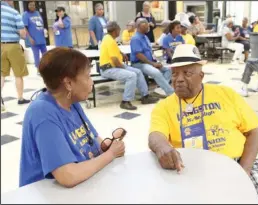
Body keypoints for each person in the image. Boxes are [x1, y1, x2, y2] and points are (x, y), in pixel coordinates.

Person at [148, 44, 258, 204]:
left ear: (201, 75)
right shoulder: (164, 106)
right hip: (191, 168)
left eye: (187, 73)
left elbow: (253, 133)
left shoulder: (226, 94)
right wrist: (162, 147)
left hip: (239, 161)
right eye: (174, 74)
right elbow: (156, 135)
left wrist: (243, 171)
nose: (179, 79)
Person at [19, 47, 126, 188]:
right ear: (68, 83)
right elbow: (67, 176)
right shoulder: (42, 113)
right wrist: (110, 154)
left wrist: (108, 145)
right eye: (88, 76)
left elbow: (94, 141)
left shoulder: (72, 102)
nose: (91, 82)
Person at [100, 21, 158, 110]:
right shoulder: (110, 40)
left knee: (138, 72)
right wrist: (124, 67)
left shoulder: (108, 38)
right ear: (115, 30)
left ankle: (145, 96)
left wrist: (121, 53)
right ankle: (125, 101)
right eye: (119, 30)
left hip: (113, 66)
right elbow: (115, 61)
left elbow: (112, 50)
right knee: (131, 75)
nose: (119, 32)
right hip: (108, 69)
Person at [130, 18, 174, 97]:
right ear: (140, 26)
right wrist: (152, 63)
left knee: (169, 70)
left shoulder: (145, 37)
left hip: (149, 62)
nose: (148, 27)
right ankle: (171, 93)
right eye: (146, 25)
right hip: (139, 64)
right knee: (156, 72)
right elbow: (139, 55)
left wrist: (156, 61)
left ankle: (160, 89)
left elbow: (149, 52)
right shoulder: (135, 39)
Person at [1, 0, 30, 106]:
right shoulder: (13, 12)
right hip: (13, 45)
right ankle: (20, 98)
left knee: (2, 73)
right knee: (18, 74)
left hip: (1, 46)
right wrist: (22, 34)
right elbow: (23, 33)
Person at [22, 1, 47, 69]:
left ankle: (46, 68)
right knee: (36, 55)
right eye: (30, 5)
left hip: (42, 38)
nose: (32, 6)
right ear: (27, 6)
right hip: (33, 39)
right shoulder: (25, 14)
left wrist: (44, 31)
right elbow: (25, 27)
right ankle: (38, 69)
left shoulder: (37, 13)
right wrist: (29, 38)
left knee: (45, 54)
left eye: (33, 5)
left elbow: (41, 23)